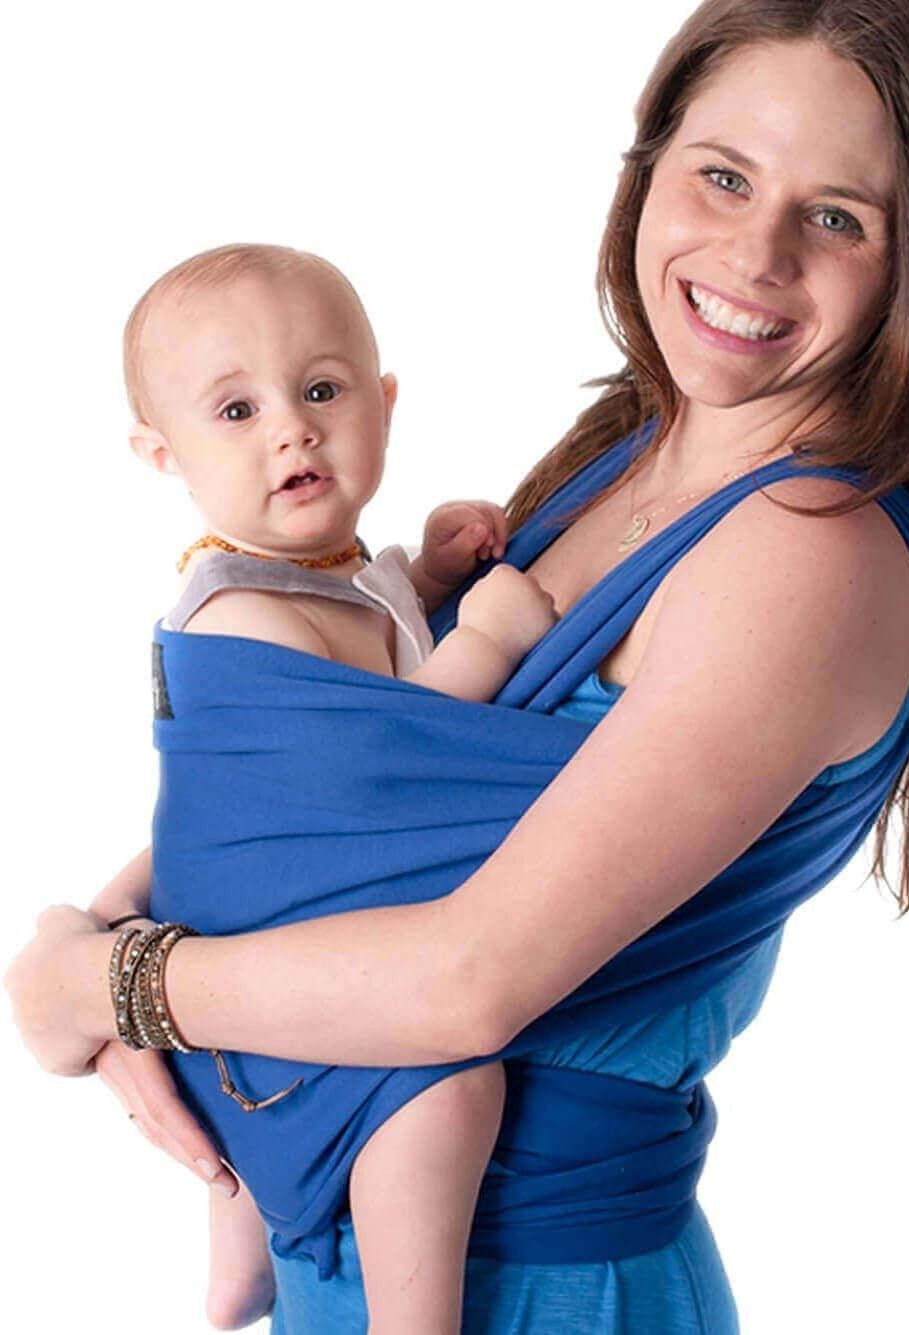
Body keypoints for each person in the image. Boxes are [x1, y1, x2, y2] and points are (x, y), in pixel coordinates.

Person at [6, 2, 909, 1331]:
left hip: (539, 1288)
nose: (755, 252)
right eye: (722, 176)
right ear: (648, 168)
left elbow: (469, 978)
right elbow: (359, 772)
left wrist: (109, 985)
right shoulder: (626, 453)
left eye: (837, 217)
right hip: (349, 1236)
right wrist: (108, 924)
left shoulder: (809, 551)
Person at [92, 241, 558, 1331]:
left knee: (275, 1093)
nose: (292, 431)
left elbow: (378, 640)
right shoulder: (236, 613)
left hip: (277, 930)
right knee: (445, 1093)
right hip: (260, 943)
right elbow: (386, 757)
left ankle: (247, 1250)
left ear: (383, 403)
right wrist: (485, 641)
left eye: (321, 391)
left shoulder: (336, 574)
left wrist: (433, 575)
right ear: (162, 454)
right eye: (237, 410)